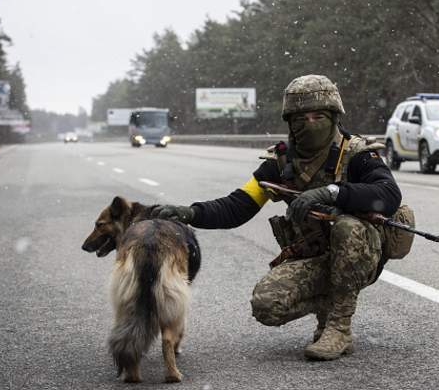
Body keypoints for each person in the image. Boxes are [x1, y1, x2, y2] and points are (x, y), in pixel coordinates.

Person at [152, 75, 408, 361]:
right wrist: (191, 213)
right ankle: (327, 308)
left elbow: (387, 194)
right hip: (315, 257)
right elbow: (238, 206)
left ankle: (339, 327)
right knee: (267, 305)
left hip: (362, 255)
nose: (309, 123)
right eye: (301, 117)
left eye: (318, 116)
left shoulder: (357, 154)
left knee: (348, 228)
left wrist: (332, 192)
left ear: (334, 117)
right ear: (290, 122)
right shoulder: (281, 163)